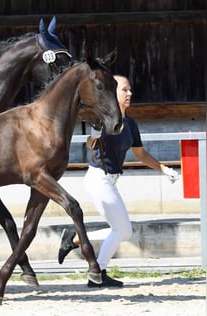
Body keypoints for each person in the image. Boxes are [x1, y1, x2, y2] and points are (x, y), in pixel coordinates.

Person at [58, 75, 179, 288]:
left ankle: (76, 239)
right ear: (114, 93)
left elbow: (140, 154)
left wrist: (163, 169)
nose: (129, 93)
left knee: (124, 231)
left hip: (111, 181)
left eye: (130, 90)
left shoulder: (131, 124)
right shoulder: (104, 119)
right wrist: (95, 134)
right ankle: (97, 273)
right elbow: (90, 144)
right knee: (122, 229)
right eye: (124, 90)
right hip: (98, 179)